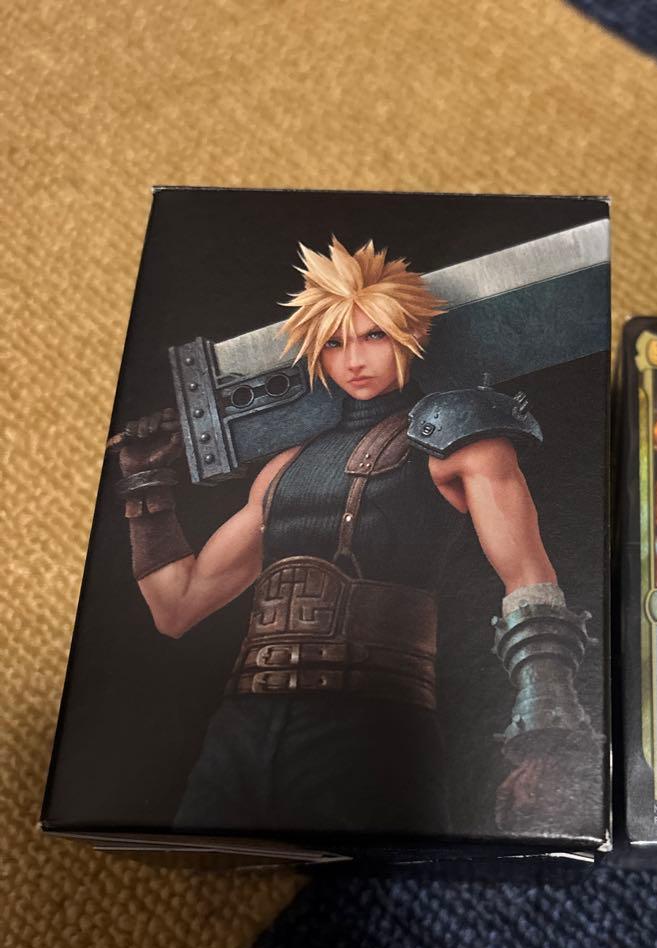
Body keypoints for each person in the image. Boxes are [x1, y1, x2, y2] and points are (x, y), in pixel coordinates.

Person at [113, 237, 598, 837]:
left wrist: (547, 730)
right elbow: (176, 607)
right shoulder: (283, 468)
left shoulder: (459, 441)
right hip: (242, 725)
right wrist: (146, 484)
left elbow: (527, 576)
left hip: (376, 723)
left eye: (374, 336)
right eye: (335, 343)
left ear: (411, 336)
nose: (354, 360)